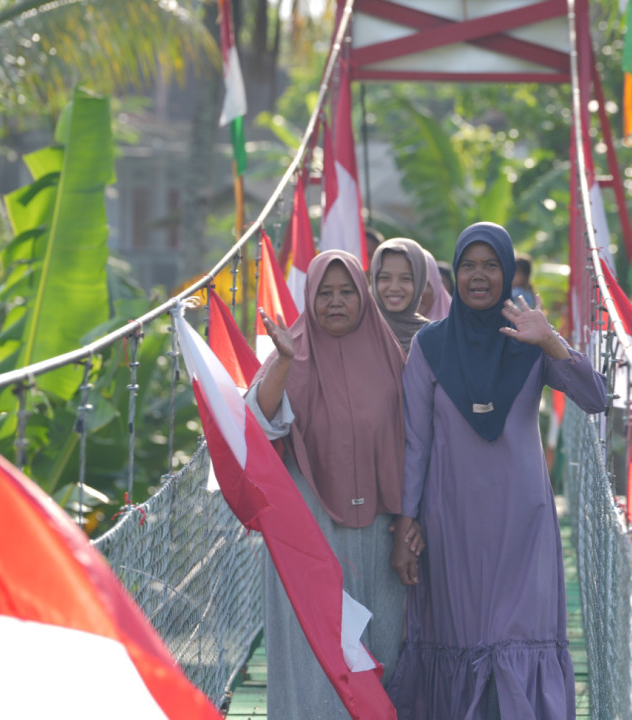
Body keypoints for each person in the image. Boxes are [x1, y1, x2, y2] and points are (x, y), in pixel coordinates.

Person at [387, 222, 607, 719]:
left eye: (490, 265)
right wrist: (406, 522)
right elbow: (415, 442)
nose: (478, 276)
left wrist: (551, 341)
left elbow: (595, 400)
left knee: (518, 637)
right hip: (450, 519)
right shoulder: (430, 346)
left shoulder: (530, 337)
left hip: (523, 522)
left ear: (507, 272)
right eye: (468, 265)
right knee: (460, 638)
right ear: (454, 274)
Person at [248, 249, 423, 718]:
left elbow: (418, 440)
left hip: (382, 531)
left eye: (347, 291)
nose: (336, 301)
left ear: (363, 297)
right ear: (310, 298)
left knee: (382, 640)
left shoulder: (393, 357)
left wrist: (412, 519)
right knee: (315, 643)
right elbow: (256, 425)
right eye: (324, 293)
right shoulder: (292, 351)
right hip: (311, 531)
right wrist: (283, 361)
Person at [371, 237, 430, 354]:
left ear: (420, 282)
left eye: (406, 279)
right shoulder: (360, 331)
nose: (394, 288)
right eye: (385, 278)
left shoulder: (433, 337)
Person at [418, 247, 452, 321]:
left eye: (424, 284)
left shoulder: (455, 327)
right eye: (406, 280)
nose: (416, 292)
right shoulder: (388, 328)